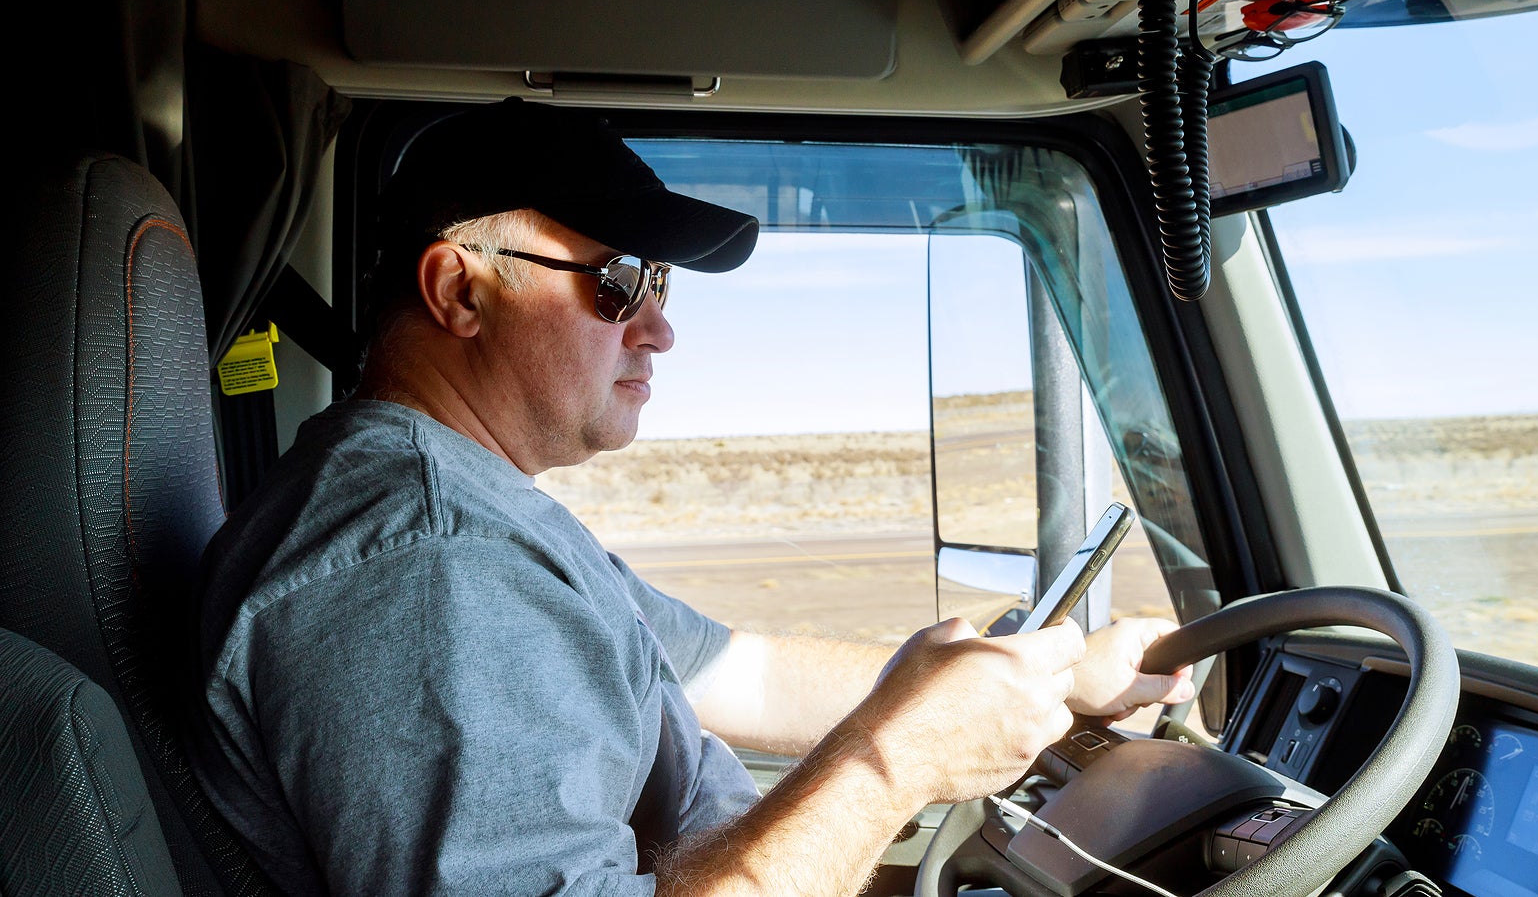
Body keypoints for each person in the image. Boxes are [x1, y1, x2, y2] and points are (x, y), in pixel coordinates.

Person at [187, 98, 1196, 897]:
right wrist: (895, 760)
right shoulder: (428, 569)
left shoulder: (479, 513)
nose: (660, 328)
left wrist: (1052, 678)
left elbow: (740, 674)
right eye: (619, 280)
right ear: (459, 291)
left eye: (660, 284)